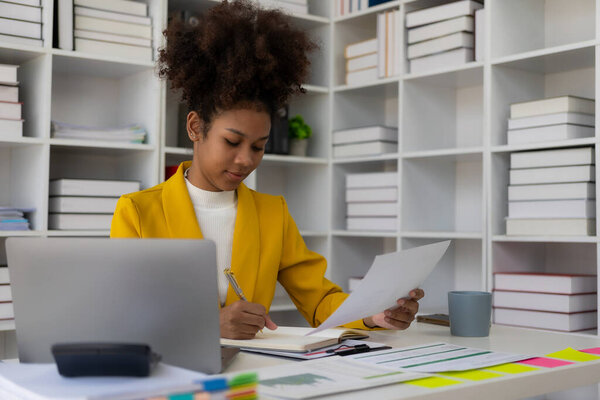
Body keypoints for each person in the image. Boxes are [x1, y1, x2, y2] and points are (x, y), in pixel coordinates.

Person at [110, 0, 424, 339]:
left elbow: (319, 301)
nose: (246, 159)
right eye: (232, 142)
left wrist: (373, 313)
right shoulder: (138, 212)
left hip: (255, 373)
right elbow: (123, 312)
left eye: (259, 146)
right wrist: (209, 324)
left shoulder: (272, 214)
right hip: (174, 373)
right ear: (195, 127)